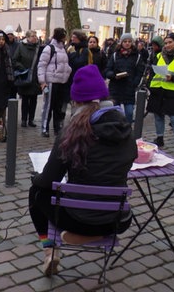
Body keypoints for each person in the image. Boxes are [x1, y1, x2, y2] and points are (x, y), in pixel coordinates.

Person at [29, 64, 136, 276]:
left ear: (76, 101)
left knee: (37, 193)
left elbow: (48, 180)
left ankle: (50, 249)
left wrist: (36, 178)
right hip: (116, 220)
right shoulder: (126, 129)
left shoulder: (72, 131)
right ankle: (93, 236)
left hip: (78, 218)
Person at [146, 33, 174, 155]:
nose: (167, 45)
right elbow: (153, 72)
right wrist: (150, 85)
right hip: (158, 90)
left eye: (170, 42)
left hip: (173, 92)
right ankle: (159, 138)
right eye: (165, 43)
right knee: (158, 115)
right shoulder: (159, 55)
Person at [37, 28, 72, 138]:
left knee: (58, 107)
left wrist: (68, 71)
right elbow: (42, 65)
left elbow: (65, 64)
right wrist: (42, 81)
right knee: (48, 106)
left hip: (62, 81)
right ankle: (44, 127)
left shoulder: (64, 49)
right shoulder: (49, 48)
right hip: (51, 81)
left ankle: (57, 128)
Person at [104, 33, 145, 123]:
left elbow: (139, 71)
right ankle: (117, 130)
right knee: (115, 112)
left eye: (129, 41)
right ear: (121, 43)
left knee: (129, 112)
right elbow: (107, 70)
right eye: (125, 41)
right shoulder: (115, 55)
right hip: (116, 87)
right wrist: (114, 75)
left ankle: (128, 130)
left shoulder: (137, 56)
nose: (127, 43)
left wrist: (135, 83)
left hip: (129, 88)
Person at [12, 30, 41, 128]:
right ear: (27, 38)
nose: (34, 38)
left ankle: (31, 119)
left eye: (35, 36)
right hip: (25, 75)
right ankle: (24, 119)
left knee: (34, 100)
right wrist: (22, 68)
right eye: (32, 36)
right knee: (25, 99)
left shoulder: (39, 48)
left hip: (35, 77)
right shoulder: (21, 47)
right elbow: (15, 60)